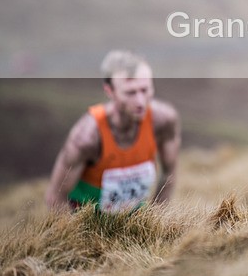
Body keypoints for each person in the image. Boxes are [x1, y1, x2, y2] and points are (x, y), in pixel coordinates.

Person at [45, 50, 180, 212]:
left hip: (135, 218)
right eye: (130, 93)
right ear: (109, 91)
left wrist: (156, 217)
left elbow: (169, 172)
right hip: (86, 220)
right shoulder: (87, 137)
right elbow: (55, 197)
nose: (140, 102)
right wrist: (75, 227)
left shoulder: (163, 121)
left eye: (144, 90)